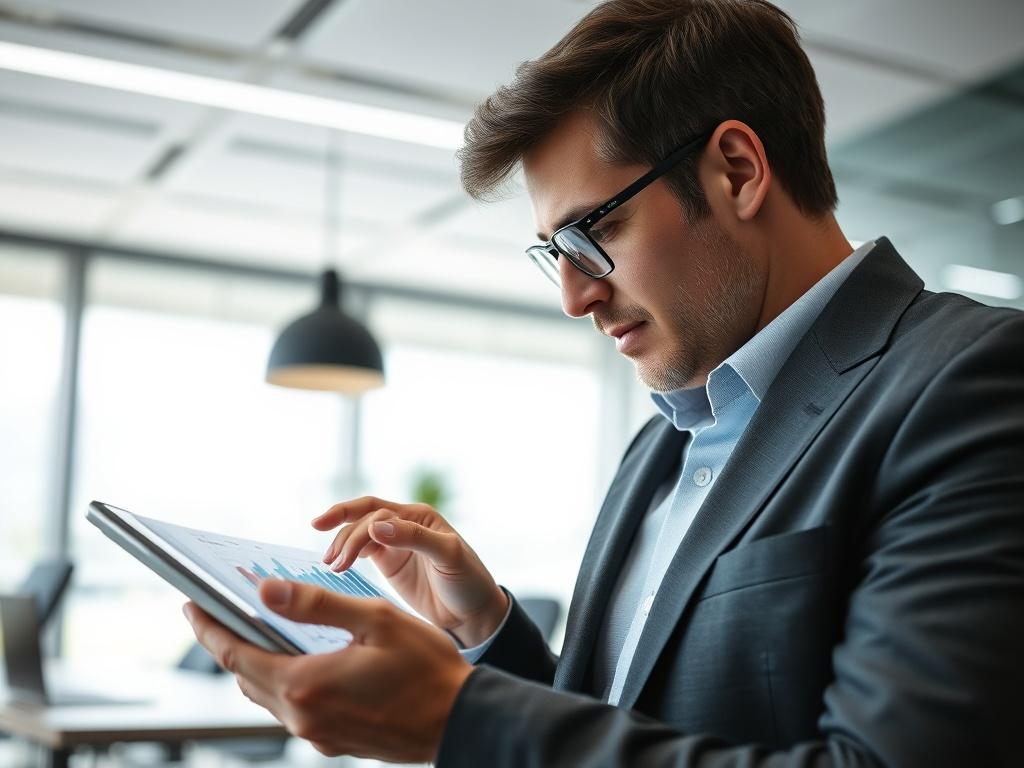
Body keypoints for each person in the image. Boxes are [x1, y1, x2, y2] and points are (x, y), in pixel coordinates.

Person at [184, 0, 1024, 765]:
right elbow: (625, 715)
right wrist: (486, 633)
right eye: (555, 253)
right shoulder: (660, 443)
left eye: (594, 233)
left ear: (737, 171)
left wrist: (457, 720)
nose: (574, 297)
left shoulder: (971, 383)